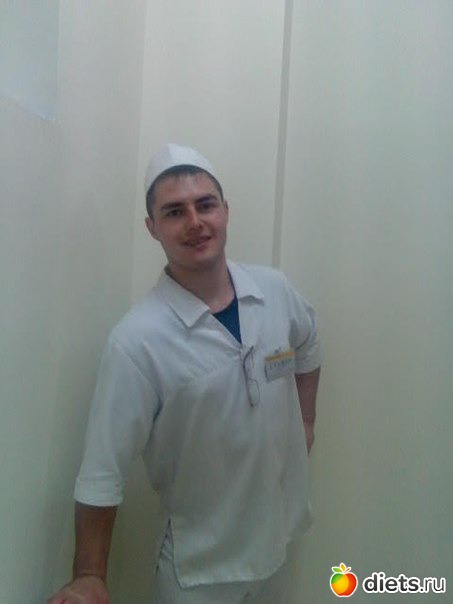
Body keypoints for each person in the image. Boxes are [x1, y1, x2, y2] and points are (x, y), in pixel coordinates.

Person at [48, 143, 321, 604]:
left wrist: (306, 420)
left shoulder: (274, 291)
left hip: (279, 544)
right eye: (175, 212)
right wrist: (89, 573)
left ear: (225, 211)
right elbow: (101, 470)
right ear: (152, 228)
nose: (195, 222)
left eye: (205, 205)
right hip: (199, 572)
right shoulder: (137, 340)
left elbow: (309, 343)